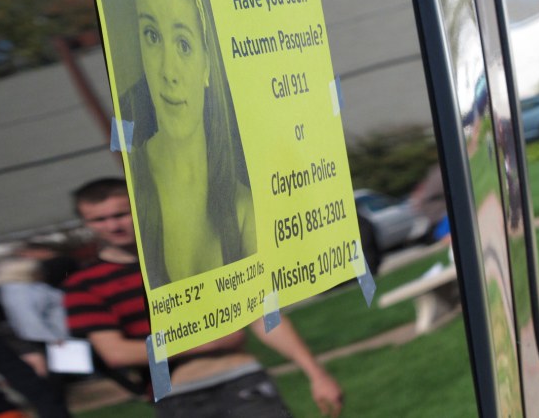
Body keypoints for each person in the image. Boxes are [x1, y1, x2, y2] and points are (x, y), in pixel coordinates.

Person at [63, 178, 343, 417]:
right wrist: (204, 341)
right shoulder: (83, 285)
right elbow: (117, 353)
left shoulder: (199, 258)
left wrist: (316, 374)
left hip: (242, 379)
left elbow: (263, 316)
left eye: (121, 214)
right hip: (178, 397)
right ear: (86, 223)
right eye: (99, 219)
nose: (113, 226)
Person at [121, 0, 256, 287]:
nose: (167, 72)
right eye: (151, 36)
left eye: (183, 43)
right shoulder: (130, 188)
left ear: (207, 65)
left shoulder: (244, 211)